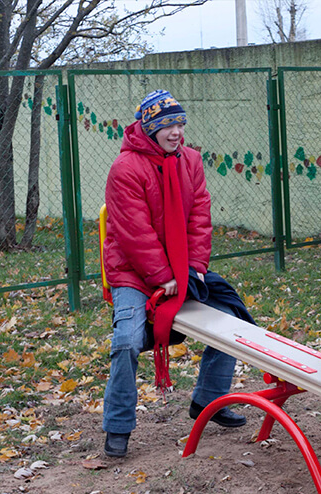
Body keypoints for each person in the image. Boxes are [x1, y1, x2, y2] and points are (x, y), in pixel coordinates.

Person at [101, 90, 251, 458]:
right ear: (150, 128)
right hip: (133, 272)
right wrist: (163, 276)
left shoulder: (191, 161)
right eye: (167, 124)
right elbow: (134, 233)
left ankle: (208, 401)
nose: (176, 132)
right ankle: (118, 426)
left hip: (181, 267)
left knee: (231, 318)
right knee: (126, 342)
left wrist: (195, 269)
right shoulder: (126, 169)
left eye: (180, 123)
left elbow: (200, 218)